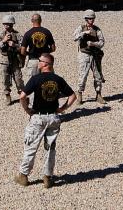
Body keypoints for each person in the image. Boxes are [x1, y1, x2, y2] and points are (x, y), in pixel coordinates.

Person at [14, 53, 77, 189]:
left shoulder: (36, 79)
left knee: (31, 146)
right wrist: (62, 109)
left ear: (45, 64)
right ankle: (47, 177)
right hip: (53, 118)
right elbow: (73, 96)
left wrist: (27, 110)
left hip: (38, 118)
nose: (38, 63)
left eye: (40, 61)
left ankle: (24, 175)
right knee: (50, 148)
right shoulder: (58, 79)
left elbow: (22, 96)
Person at [71, 10, 105, 105]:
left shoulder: (97, 29)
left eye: (93, 18)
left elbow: (102, 42)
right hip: (84, 54)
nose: (91, 20)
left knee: (98, 75)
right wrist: (84, 33)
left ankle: (98, 94)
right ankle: (80, 95)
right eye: (90, 18)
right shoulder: (81, 28)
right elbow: (74, 37)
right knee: (83, 75)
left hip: (95, 55)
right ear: (86, 19)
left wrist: (93, 44)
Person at [0, 15, 25, 105]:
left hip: (15, 60)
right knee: (5, 78)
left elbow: (23, 48)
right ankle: (7, 95)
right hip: (5, 59)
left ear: (12, 24)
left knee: (18, 79)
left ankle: (22, 95)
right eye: (5, 24)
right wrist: (4, 41)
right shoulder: (1, 34)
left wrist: (15, 45)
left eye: (8, 24)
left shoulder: (18, 35)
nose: (6, 26)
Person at [20, 14, 55, 79]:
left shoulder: (28, 33)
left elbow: (22, 51)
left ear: (32, 21)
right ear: (41, 20)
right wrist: (46, 52)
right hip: (46, 61)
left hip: (33, 61)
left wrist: (29, 53)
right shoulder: (47, 32)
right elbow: (53, 48)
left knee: (32, 84)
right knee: (47, 82)